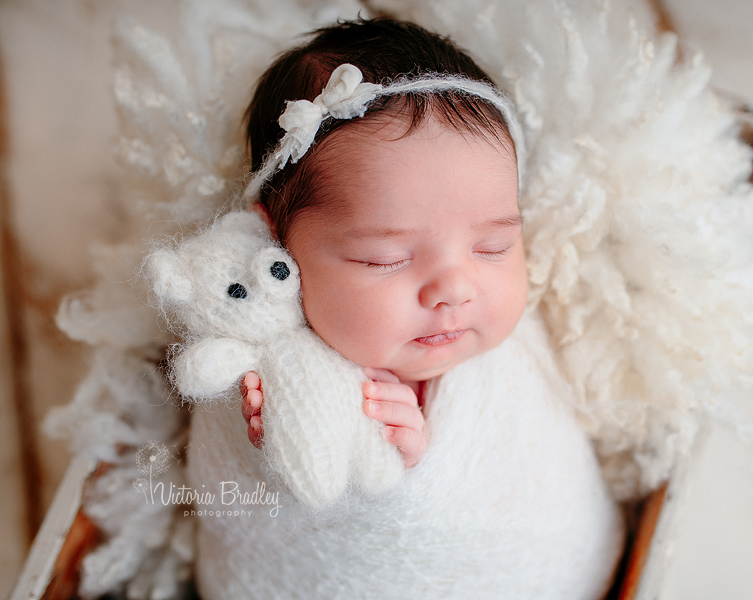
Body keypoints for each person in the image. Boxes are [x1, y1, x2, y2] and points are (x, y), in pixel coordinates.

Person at [191, 17, 622, 599]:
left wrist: (428, 454)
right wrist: (296, 440)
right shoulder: (257, 345)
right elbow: (264, 497)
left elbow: (521, 463)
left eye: (493, 247)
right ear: (275, 242)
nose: (455, 289)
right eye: (385, 258)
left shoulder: (504, 358)